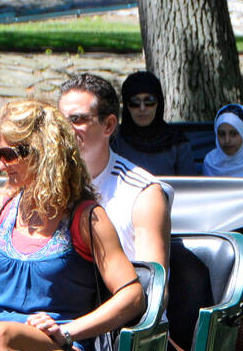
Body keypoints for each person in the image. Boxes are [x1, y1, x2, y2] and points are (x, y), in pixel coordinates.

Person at [0, 98, 144, 351]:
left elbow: (133, 295)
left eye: (8, 155)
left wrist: (68, 331)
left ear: (41, 154)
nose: (0, 165)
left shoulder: (87, 218)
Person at [58, 73, 172, 273]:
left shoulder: (142, 193)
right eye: (60, 121)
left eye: (77, 119)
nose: (66, 130)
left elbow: (153, 288)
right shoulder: (42, 185)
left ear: (109, 125)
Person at [109, 71, 198, 176]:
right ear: (126, 106)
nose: (142, 108)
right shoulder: (114, 141)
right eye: (135, 102)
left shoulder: (177, 143)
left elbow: (187, 187)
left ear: (158, 103)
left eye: (149, 101)